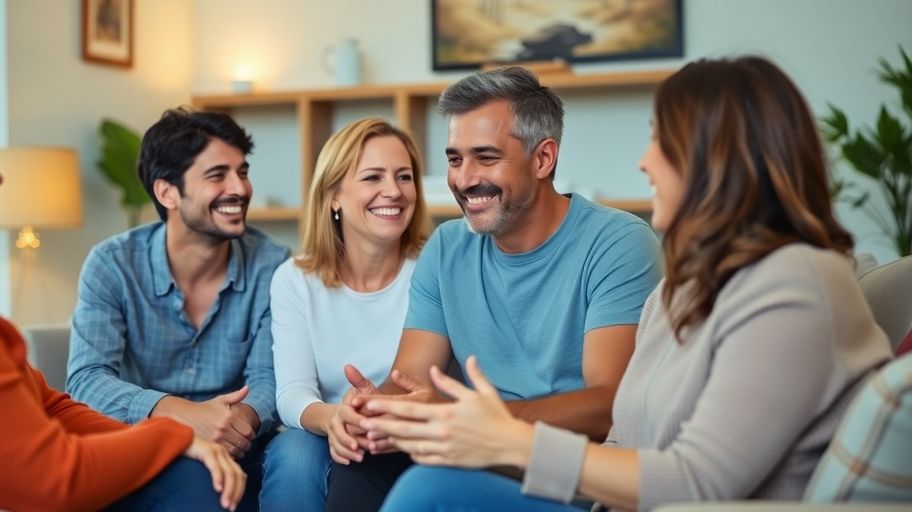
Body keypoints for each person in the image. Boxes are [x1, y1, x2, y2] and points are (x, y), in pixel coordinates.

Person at [366, 56, 894, 511]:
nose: (643, 162)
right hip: (606, 499)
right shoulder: (682, 290)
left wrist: (508, 440)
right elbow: (624, 435)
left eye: (662, 142)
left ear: (721, 161)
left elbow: (698, 480)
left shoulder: (799, 284)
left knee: (427, 491)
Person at [0, 66, 244, 511]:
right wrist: (175, 431)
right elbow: (56, 477)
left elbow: (50, 405)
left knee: (195, 473)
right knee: (192, 479)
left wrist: (177, 442)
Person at [331, 66, 663, 510]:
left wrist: (480, 423)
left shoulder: (617, 242)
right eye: (454, 159)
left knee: (426, 490)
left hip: (566, 469)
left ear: (543, 159)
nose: (464, 180)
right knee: (359, 461)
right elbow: (409, 380)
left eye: (485, 157)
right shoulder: (447, 248)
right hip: (472, 455)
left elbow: (610, 405)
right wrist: (373, 410)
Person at [66, 108, 290, 511]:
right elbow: (86, 379)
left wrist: (235, 421)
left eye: (242, 171)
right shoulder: (112, 265)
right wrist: (178, 415)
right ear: (167, 192)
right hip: (140, 446)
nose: (239, 187)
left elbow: (268, 379)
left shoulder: (273, 266)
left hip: (241, 447)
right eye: (217, 175)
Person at [263, 118, 429, 510]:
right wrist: (338, 418)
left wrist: (375, 418)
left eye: (404, 177)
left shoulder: (432, 268)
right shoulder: (294, 279)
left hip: (411, 429)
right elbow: (292, 392)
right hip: (327, 427)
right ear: (333, 195)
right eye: (373, 177)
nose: (394, 191)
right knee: (295, 454)